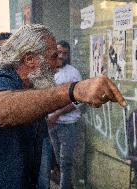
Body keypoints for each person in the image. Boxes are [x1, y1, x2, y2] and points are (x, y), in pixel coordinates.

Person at [0, 24, 126, 189]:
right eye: (53, 57)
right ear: (29, 59)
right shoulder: (0, 78)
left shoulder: (31, 86)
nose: (57, 64)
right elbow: (2, 111)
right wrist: (73, 90)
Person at [48, 40, 83, 189]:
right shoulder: (47, 72)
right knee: (57, 160)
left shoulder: (73, 72)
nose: (61, 56)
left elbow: (80, 99)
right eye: (59, 52)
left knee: (66, 160)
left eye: (65, 53)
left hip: (68, 124)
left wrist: (59, 113)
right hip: (50, 124)